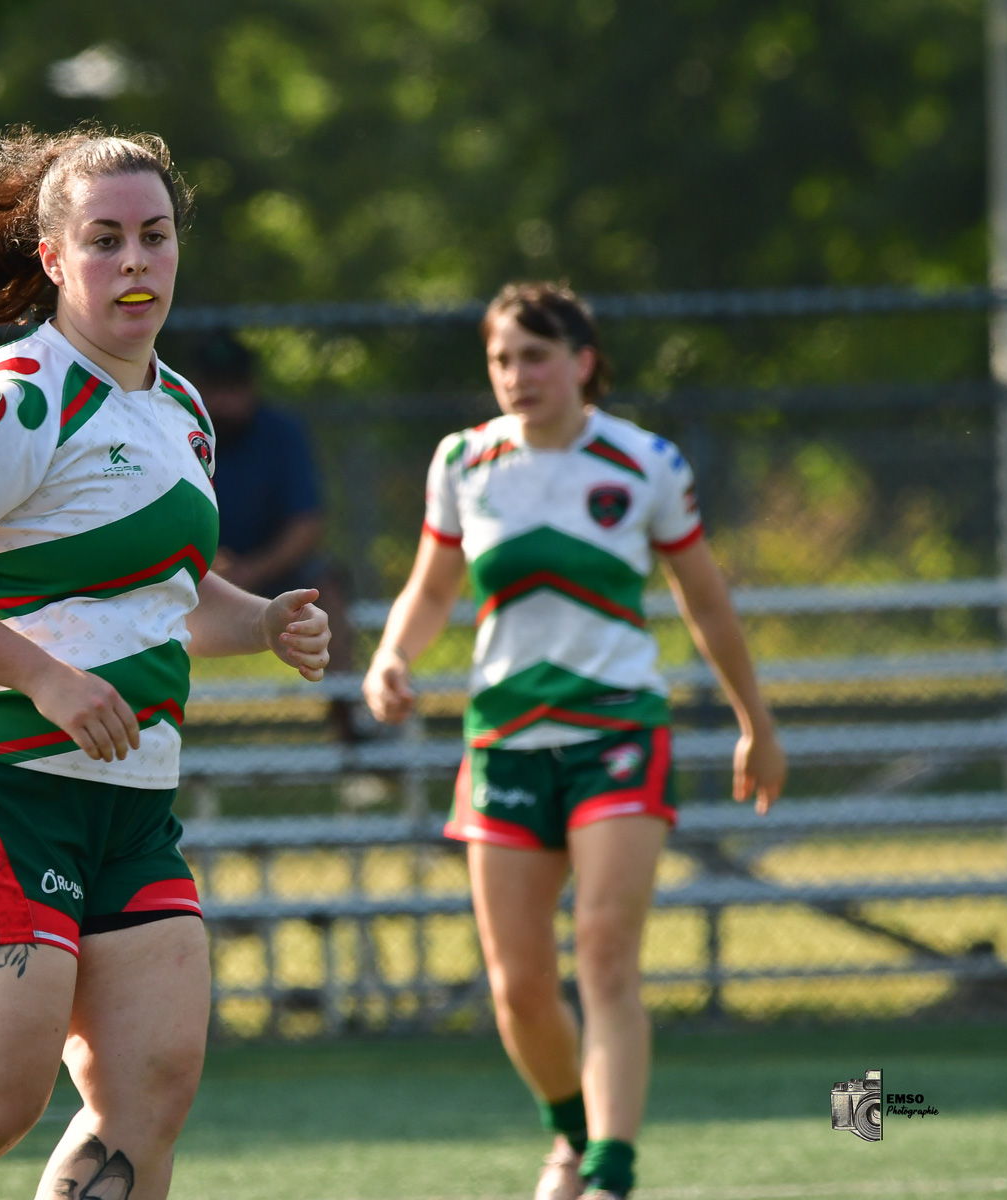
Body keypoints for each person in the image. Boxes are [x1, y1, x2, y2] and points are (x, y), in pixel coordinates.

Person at [0, 127, 331, 1200]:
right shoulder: (17, 396)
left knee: (148, 1098)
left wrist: (260, 621)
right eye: (106, 239)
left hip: (128, 803)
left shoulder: (177, 407)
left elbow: (162, 603)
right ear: (52, 258)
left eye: (155, 237)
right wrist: (41, 675)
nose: (136, 262)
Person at [363, 282, 787, 1200]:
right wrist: (394, 654)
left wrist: (756, 720)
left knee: (602, 946)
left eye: (537, 356)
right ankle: (569, 1130)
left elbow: (704, 597)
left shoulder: (646, 463)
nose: (518, 376)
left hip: (617, 731)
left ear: (583, 362)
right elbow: (433, 587)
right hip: (506, 740)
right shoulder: (465, 461)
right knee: (517, 986)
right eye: (502, 360)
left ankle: (611, 1170)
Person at [192, 331, 357, 731]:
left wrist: (251, 570)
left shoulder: (281, 433)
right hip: (193, 567)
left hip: (271, 571)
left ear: (252, 387)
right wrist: (205, 561)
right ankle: (144, 722)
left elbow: (306, 523)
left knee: (325, 585)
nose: (225, 401)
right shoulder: (178, 427)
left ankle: (351, 727)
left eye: (235, 387)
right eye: (216, 388)